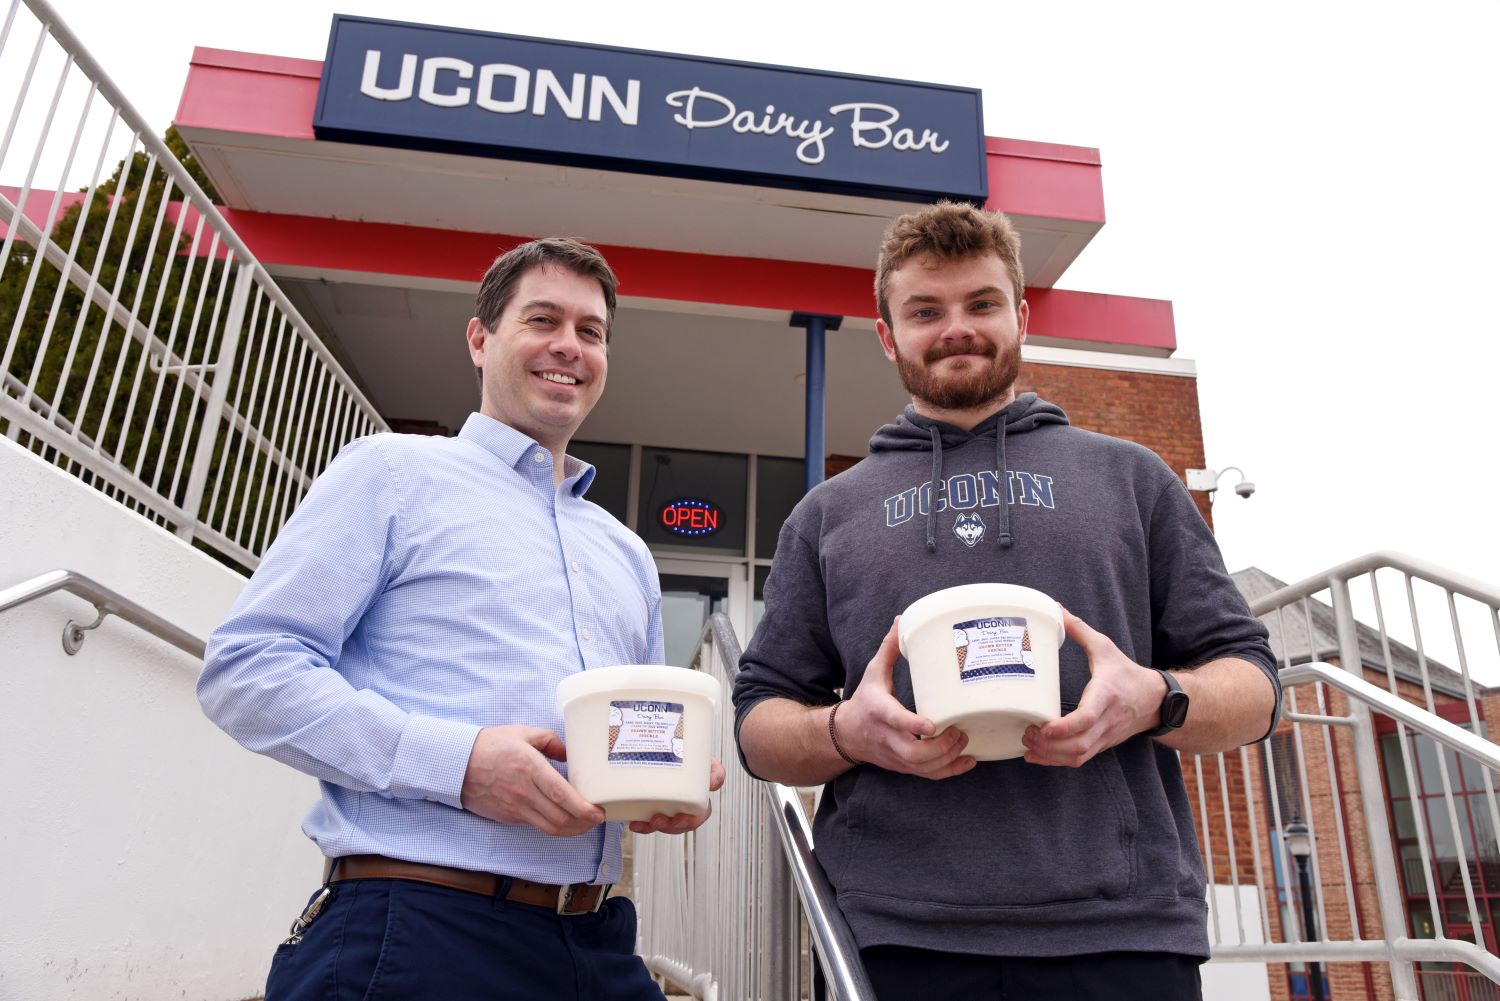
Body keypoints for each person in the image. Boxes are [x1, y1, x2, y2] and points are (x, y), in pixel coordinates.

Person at [732, 202, 1280, 1001]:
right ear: (887, 334)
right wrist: (846, 730)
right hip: (891, 935)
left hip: (1120, 933)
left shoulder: (1132, 479)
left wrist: (1154, 698)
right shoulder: (827, 515)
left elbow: (1256, 688)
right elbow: (758, 725)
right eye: (926, 310)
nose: (957, 328)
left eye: (981, 303)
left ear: (1021, 316)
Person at [199, 237, 722, 1001]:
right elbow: (246, 670)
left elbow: (624, 731)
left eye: (591, 331)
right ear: (480, 339)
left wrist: (659, 779)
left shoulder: (628, 553)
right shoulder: (391, 472)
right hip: (416, 928)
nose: (569, 346)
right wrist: (460, 764)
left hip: (597, 943)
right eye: (542, 319)